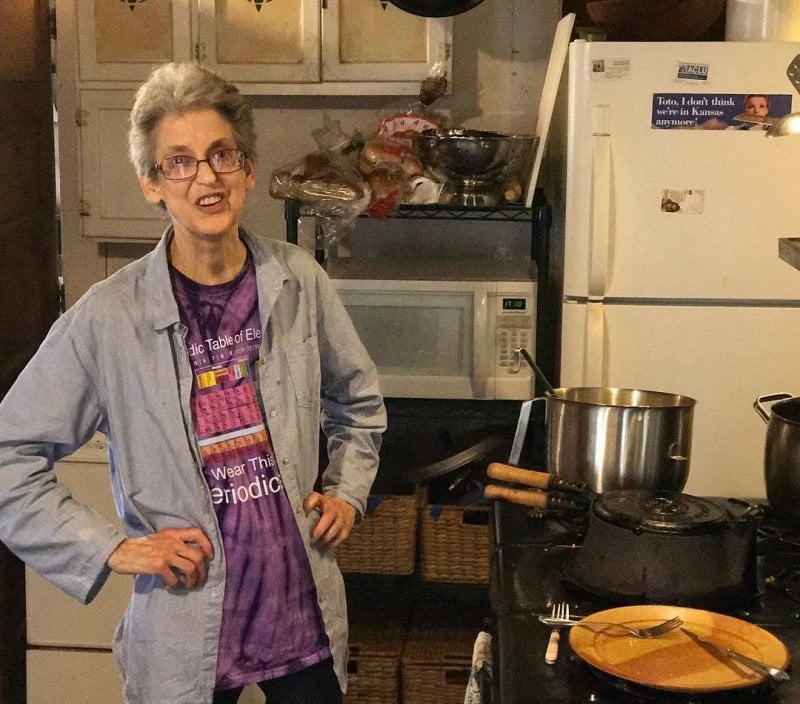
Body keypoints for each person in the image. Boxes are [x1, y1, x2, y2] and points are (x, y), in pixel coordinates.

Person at [0, 62, 386, 704]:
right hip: (186, 631)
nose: (205, 177)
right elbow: (7, 455)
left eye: (221, 155)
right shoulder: (107, 318)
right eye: (178, 162)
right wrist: (114, 548)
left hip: (302, 617)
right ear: (151, 183)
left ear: (248, 169)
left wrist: (347, 491)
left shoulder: (299, 281)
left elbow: (358, 402)